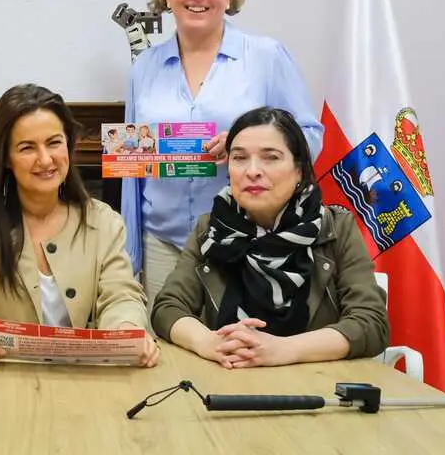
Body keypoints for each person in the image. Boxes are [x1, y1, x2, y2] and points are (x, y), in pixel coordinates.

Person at [122, 0, 324, 304]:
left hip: (249, 238)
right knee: (167, 352)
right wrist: (130, 254)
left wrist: (248, 147)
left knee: (239, 350)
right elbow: (131, 169)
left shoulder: (265, 56)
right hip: (161, 244)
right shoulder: (144, 67)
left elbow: (309, 138)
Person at [0, 84, 159, 367]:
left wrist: (126, 330)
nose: (45, 159)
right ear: (6, 158)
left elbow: (121, 296)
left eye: (54, 143)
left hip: (81, 383)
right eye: (27, 147)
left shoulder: (103, 222)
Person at [151, 107, 388, 368]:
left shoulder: (334, 227)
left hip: (316, 382)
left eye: (271, 158)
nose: (253, 171)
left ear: (299, 169)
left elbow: (371, 323)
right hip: (226, 379)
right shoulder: (212, 228)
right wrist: (210, 343)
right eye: (239, 158)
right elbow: (168, 307)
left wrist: (285, 349)